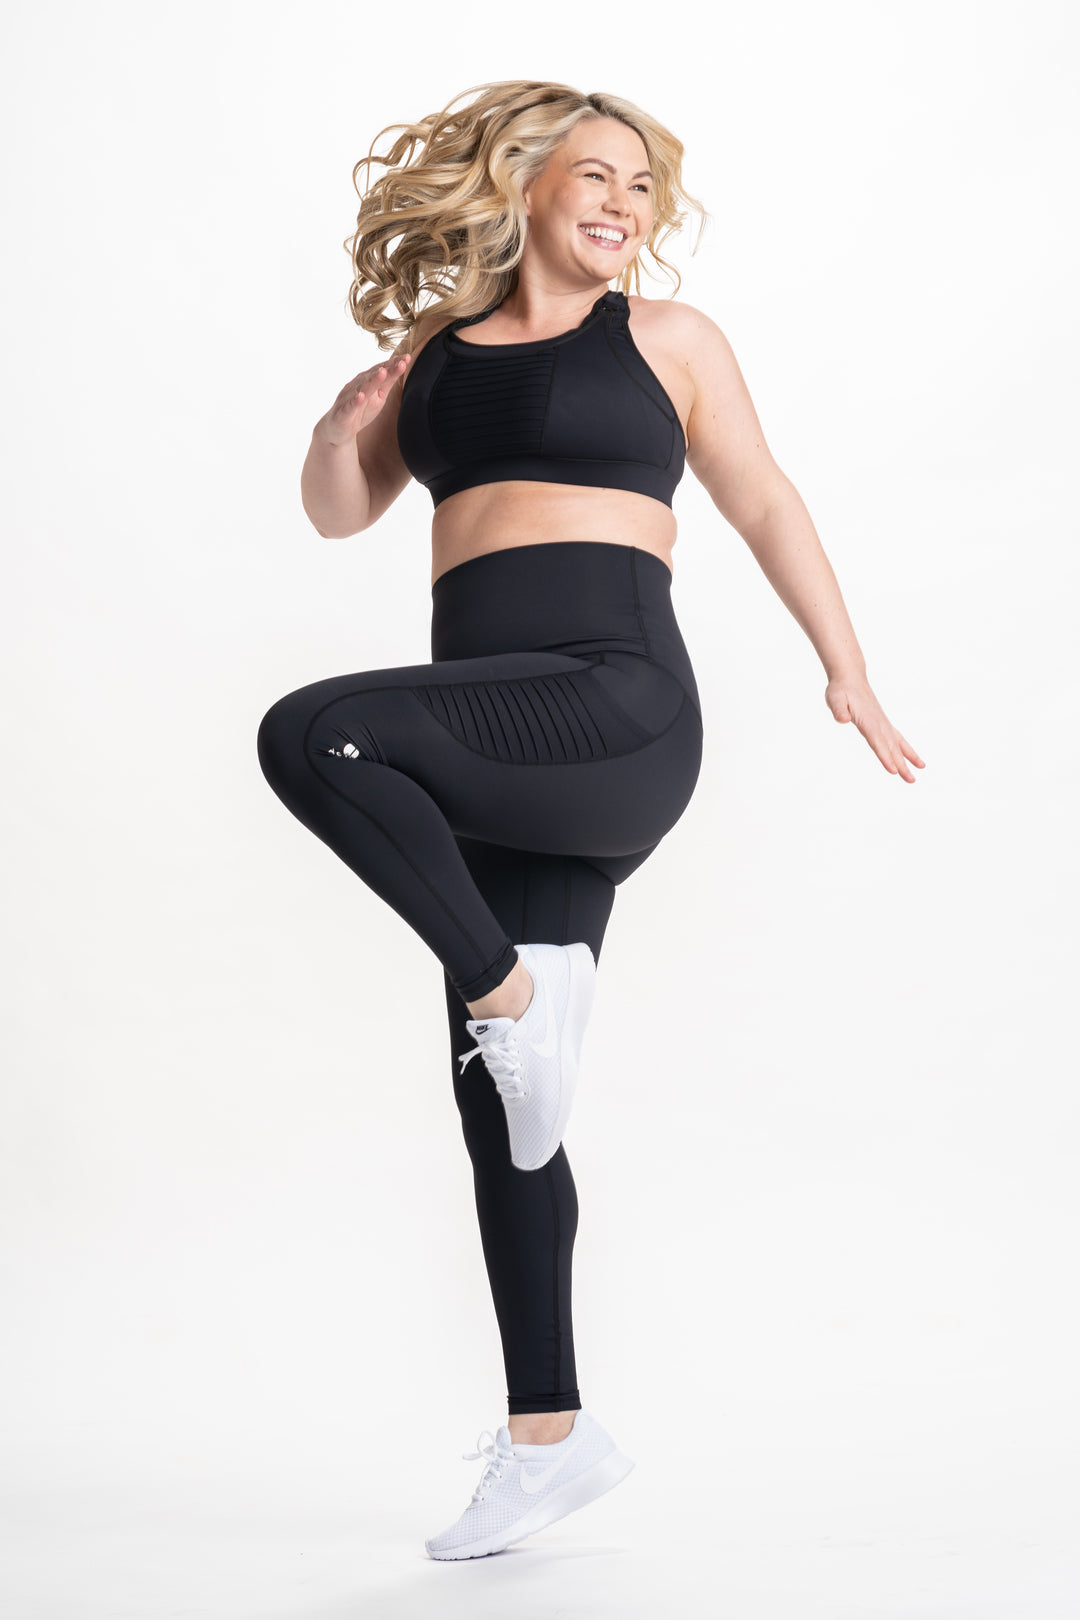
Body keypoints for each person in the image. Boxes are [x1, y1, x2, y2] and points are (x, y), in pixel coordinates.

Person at [256, 78, 925, 1561]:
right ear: (524, 185)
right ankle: (547, 1439)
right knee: (505, 1108)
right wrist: (340, 425)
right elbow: (339, 511)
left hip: (614, 708)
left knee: (316, 731)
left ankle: (513, 989)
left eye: (641, 185)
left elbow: (763, 498)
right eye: (597, 177)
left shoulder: (669, 342)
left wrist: (847, 669)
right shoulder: (438, 353)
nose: (625, 205)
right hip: (497, 745)